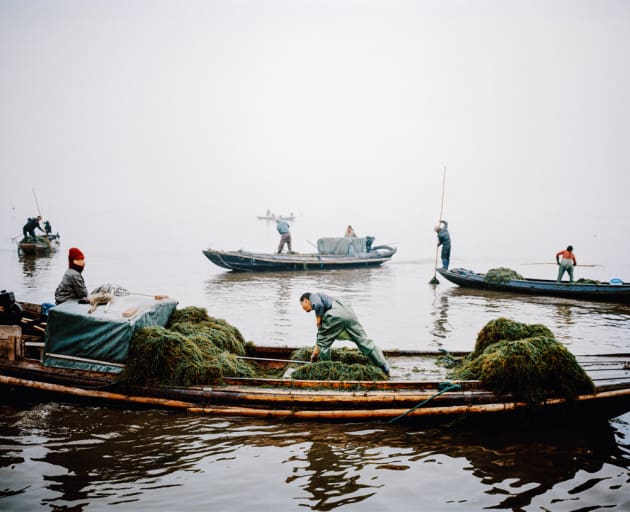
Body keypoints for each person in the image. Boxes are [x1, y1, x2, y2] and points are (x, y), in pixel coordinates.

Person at [299, 292, 390, 376]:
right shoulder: (327, 300)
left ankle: (326, 370)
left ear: (306, 300)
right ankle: (383, 366)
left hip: (335, 314)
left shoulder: (313, 296)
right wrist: (314, 355)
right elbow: (321, 337)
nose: (303, 309)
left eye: (302, 306)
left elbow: (319, 306)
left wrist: (318, 321)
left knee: (324, 344)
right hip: (348, 312)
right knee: (363, 341)